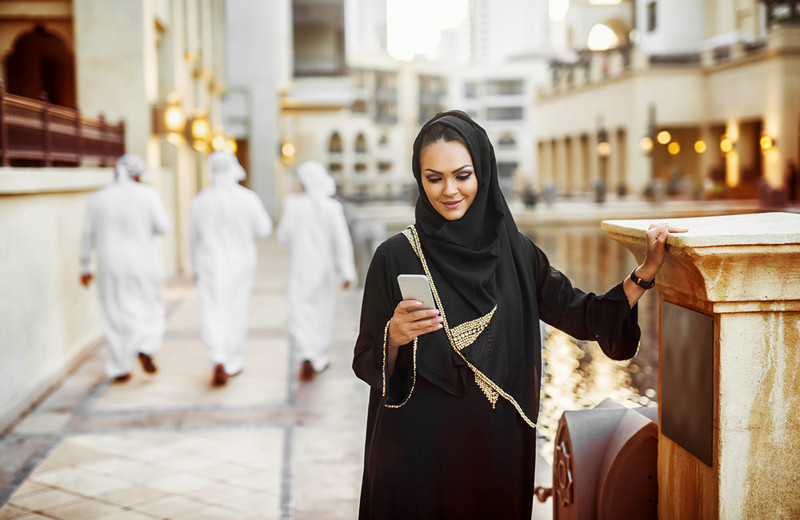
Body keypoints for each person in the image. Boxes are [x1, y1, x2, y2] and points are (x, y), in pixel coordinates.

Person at [352, 110, 686, 519]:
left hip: (494, 449)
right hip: (418, 455)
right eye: (434, 178)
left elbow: (584, 315)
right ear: (419, 180)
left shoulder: (517, 254)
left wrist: (644, 274)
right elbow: (365, 360)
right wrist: (395, 336)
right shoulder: (394, 256)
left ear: (484, 172)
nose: (449, 190)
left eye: (462, 175)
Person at [80, 153, 171, 382]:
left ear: (114, 171)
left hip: (110, 263)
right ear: (139, 174)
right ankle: (146, 346)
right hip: (144, 262)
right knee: (149, 305)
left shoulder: (99, 198)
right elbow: (163, 227)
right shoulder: (148, 195)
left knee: (114, 312)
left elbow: (87, 235)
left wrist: (85, 267)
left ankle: (120, 367)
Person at [189, 151, 273, 386]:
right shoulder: (247, 198)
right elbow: (264, 229)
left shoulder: (200, 200)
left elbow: (192, 238)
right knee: (236, 311)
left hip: (208, 264)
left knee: (211, 311)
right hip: (241, 264)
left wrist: (194, 267)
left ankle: (217, 358)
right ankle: (233, 361)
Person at [277, 161, 356, 381]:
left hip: (301, 269)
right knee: (323, 313)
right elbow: (341, 242)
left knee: (299, 311)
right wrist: (347, 272)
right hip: (326, 271)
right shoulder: (332, 207)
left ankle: (306, 352)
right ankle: (319, 357)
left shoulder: (294, 205)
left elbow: (283, 236)